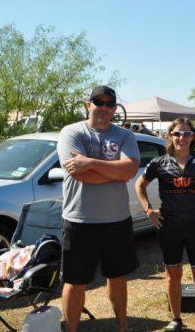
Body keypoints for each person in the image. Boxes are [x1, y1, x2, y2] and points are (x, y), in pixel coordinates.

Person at [57, 86, 140, 332]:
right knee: (75, 281)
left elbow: (130, 170)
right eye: (98, 102)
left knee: (117, 278)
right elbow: (80, 175)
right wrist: (116, 172)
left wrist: (91, 163)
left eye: (108, 103)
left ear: (114, 108)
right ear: (88, 105)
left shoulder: (125, 135)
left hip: (117, 220)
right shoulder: (71, 132)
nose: (103, 107)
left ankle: (122, 327)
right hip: (79, 221)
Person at [135, 118, 195, 332]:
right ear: (170, 136)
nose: (181, 138)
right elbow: (140, 186)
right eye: (177, 134)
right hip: (170, 227)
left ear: (194, 137)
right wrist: (148, 210)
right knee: (173, 275)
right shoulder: (159, 163)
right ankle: (176, 319)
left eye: (186, 134)